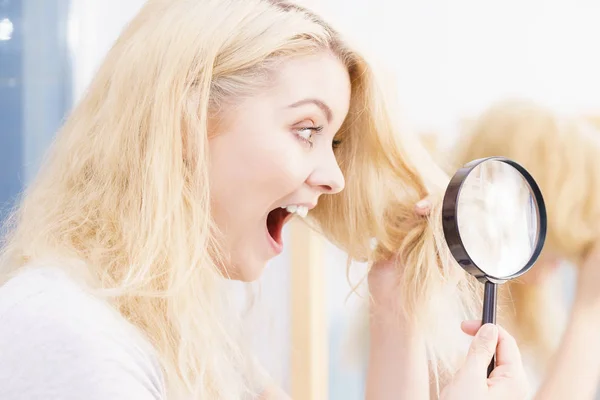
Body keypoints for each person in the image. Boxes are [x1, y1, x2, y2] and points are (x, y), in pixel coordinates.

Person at [0, 1, 529, 399]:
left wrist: (397, 310)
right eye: (306, 129)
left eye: (335, 142)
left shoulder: (189, 340)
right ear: (186, 122)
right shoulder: (69, 334)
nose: (333, 178)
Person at [450, 98, 600, 400]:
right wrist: (590, 310)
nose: (563, 261)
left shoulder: (530, 305)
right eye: (555, 237)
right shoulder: (448, 313)